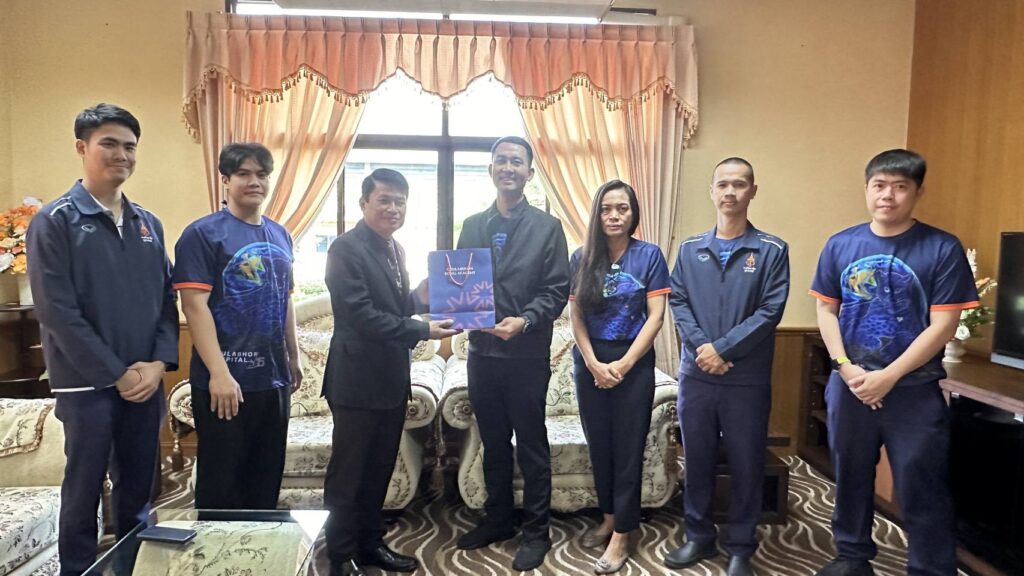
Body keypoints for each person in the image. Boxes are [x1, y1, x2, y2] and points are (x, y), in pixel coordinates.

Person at [26, 103, 179, 576]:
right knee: (84, 487)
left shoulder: (148, 223)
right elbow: (57, 311)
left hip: (144, 381)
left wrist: (157, 364)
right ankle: (76, 569)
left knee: (139, 488)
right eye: (109, 144)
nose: (121, 155)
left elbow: (165, 302)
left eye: (130, 146)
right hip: (86, 383)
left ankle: (132, 567)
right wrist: (116, 374)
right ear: (82, 147)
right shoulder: (54, 221)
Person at [810, 149, 978, 576]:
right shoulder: (840, 244)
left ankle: (930, 568)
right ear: (867, 189)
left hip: (913, 390)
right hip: (850, 385)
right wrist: (845, 366)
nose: (888, 195)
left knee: (921, 483)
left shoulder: (941, 247)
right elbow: (826, 311)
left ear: (918, 192)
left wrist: (888, 376)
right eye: (879, 185)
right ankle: (852, 557)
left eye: (900, 187)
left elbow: (943, 325)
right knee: (849, 477)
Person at [321, 168, 457, 576]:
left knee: (379, 468)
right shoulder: (345, 249)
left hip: (390, 379)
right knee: (348, 474)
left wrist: (420, 297)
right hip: (355, 381)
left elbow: (393, 307)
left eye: (400, 201)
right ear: (364, 203)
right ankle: (340, 555)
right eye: (384, 200)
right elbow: (361, 315)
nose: (393, 208)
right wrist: (422, 329)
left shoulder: (394, 248)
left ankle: (370, 544)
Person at [665, 158, 790, 576]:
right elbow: (678, 302)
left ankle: (740, 546)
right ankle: (698, 536)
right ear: (712, 191)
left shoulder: (772, 250)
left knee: (746, 463)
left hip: (746, 380)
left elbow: (770, 311)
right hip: (697, 376)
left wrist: (722, 349)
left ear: (753, 191)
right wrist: (704, 349)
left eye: (739, 184)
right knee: (697, 459)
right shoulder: (689, 249)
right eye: (723, 184)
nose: (730, 192)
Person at [453, 135, 570, 572]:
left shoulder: (548, 227)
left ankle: (537, 532)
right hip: (482, 352)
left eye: (516, 162)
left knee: (532, 446)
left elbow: (556, 289)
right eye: (501, 160)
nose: (508, 167)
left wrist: (525, 320)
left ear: (529, 172)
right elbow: (459, 281)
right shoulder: (472, 225)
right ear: (490, 170)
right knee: (493, 443)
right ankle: (499, 519)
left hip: (526, 354)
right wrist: (459, 311)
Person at [174, 142, 302, 510]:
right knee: (222, 482)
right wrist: (219, 373)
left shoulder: (280, 234)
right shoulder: (203, 234)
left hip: (273, 379)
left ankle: (261, 545)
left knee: (266, 477)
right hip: (226, 380)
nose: (254, 181)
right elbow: (194, 306)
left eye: (262, 174)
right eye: (243, 173)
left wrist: (293, 355)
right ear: (226, 180)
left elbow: (284, 297)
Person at [569, 179, 670, 574]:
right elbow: (576, 315)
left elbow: (656, 316)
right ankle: (609, 516)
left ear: (633, 214)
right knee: (600, 445)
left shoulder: (649, 256)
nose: (614, 216)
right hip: (591, 362)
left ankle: (624, 533)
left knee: (628, 448)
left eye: (622, 208)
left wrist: (625, 365)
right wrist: (593, 363)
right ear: (597, 214)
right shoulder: (581, 257)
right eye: (607, 208)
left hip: (634, 361)